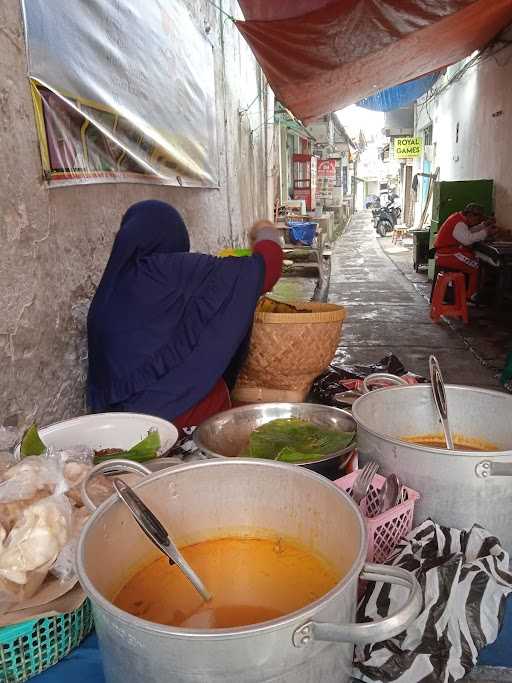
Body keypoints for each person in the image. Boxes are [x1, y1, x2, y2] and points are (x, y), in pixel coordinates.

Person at [87, 200, 283, 430]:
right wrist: (264, 229)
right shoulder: (168, 272)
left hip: (125, 428)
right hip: (183, 421)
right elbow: (268, 267)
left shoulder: (108, 293)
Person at [434, 203, 497, 300]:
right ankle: (471, 296)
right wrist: (486, 232)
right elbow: (467, 240)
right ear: (470, 215)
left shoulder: (459, 219)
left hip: (447, 254)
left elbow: (468, 231)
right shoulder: (459, 223)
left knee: (476, 260)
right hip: (448, 256)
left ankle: (469, 294)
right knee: (477, 266)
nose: (477, 222)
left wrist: (482, 226)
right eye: (477, 219)